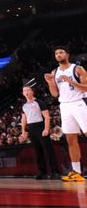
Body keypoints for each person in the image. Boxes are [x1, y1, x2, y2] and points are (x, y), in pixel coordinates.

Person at [44, 46, 87, 182]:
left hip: (79, 103)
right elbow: (55, 94)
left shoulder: (77, 69)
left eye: (61, 52)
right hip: (64, 106)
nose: (58, 55)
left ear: (67, 54)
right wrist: (50, 82)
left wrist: (70, 81)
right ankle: (77, 172)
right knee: (70, 139)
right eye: (56, 53)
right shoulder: (54, 72)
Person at [19, 85, 59, 179]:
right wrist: (23, 132)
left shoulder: (39, 102)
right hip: (31, 127)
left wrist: (46, 129)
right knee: (37, 151)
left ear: (32, 91)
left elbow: (47, 117)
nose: (26, 92)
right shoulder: (24, 106)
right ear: (23, 93)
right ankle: (42, 172)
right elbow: (23, 119)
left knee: (48, 149)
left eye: (28, 90)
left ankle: (54, 171)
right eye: (24, 90)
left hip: (40, 126)